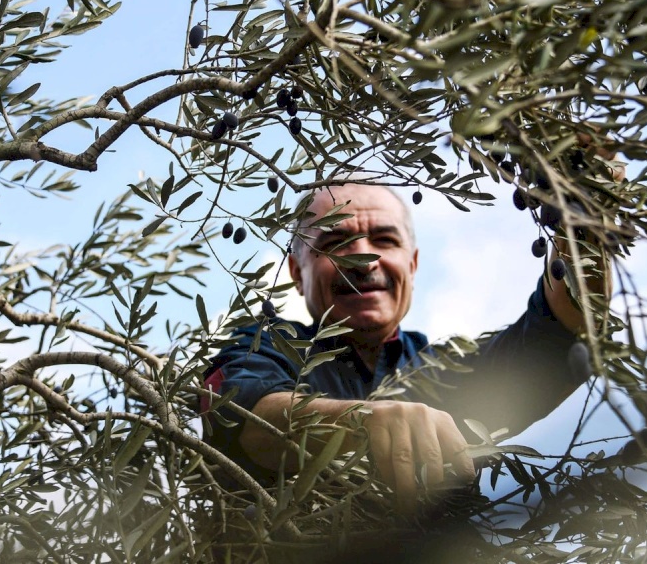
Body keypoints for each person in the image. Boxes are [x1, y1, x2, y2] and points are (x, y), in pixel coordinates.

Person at [202, 182, 607, 515]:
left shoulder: (437, 368)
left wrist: (584, 198)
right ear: (297, 272)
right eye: (336, 241)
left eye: (383, 238)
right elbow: (244, 416)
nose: (362, 258)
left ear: (412, 264)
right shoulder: (265, 342)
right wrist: (358, 423)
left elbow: (563, 324)